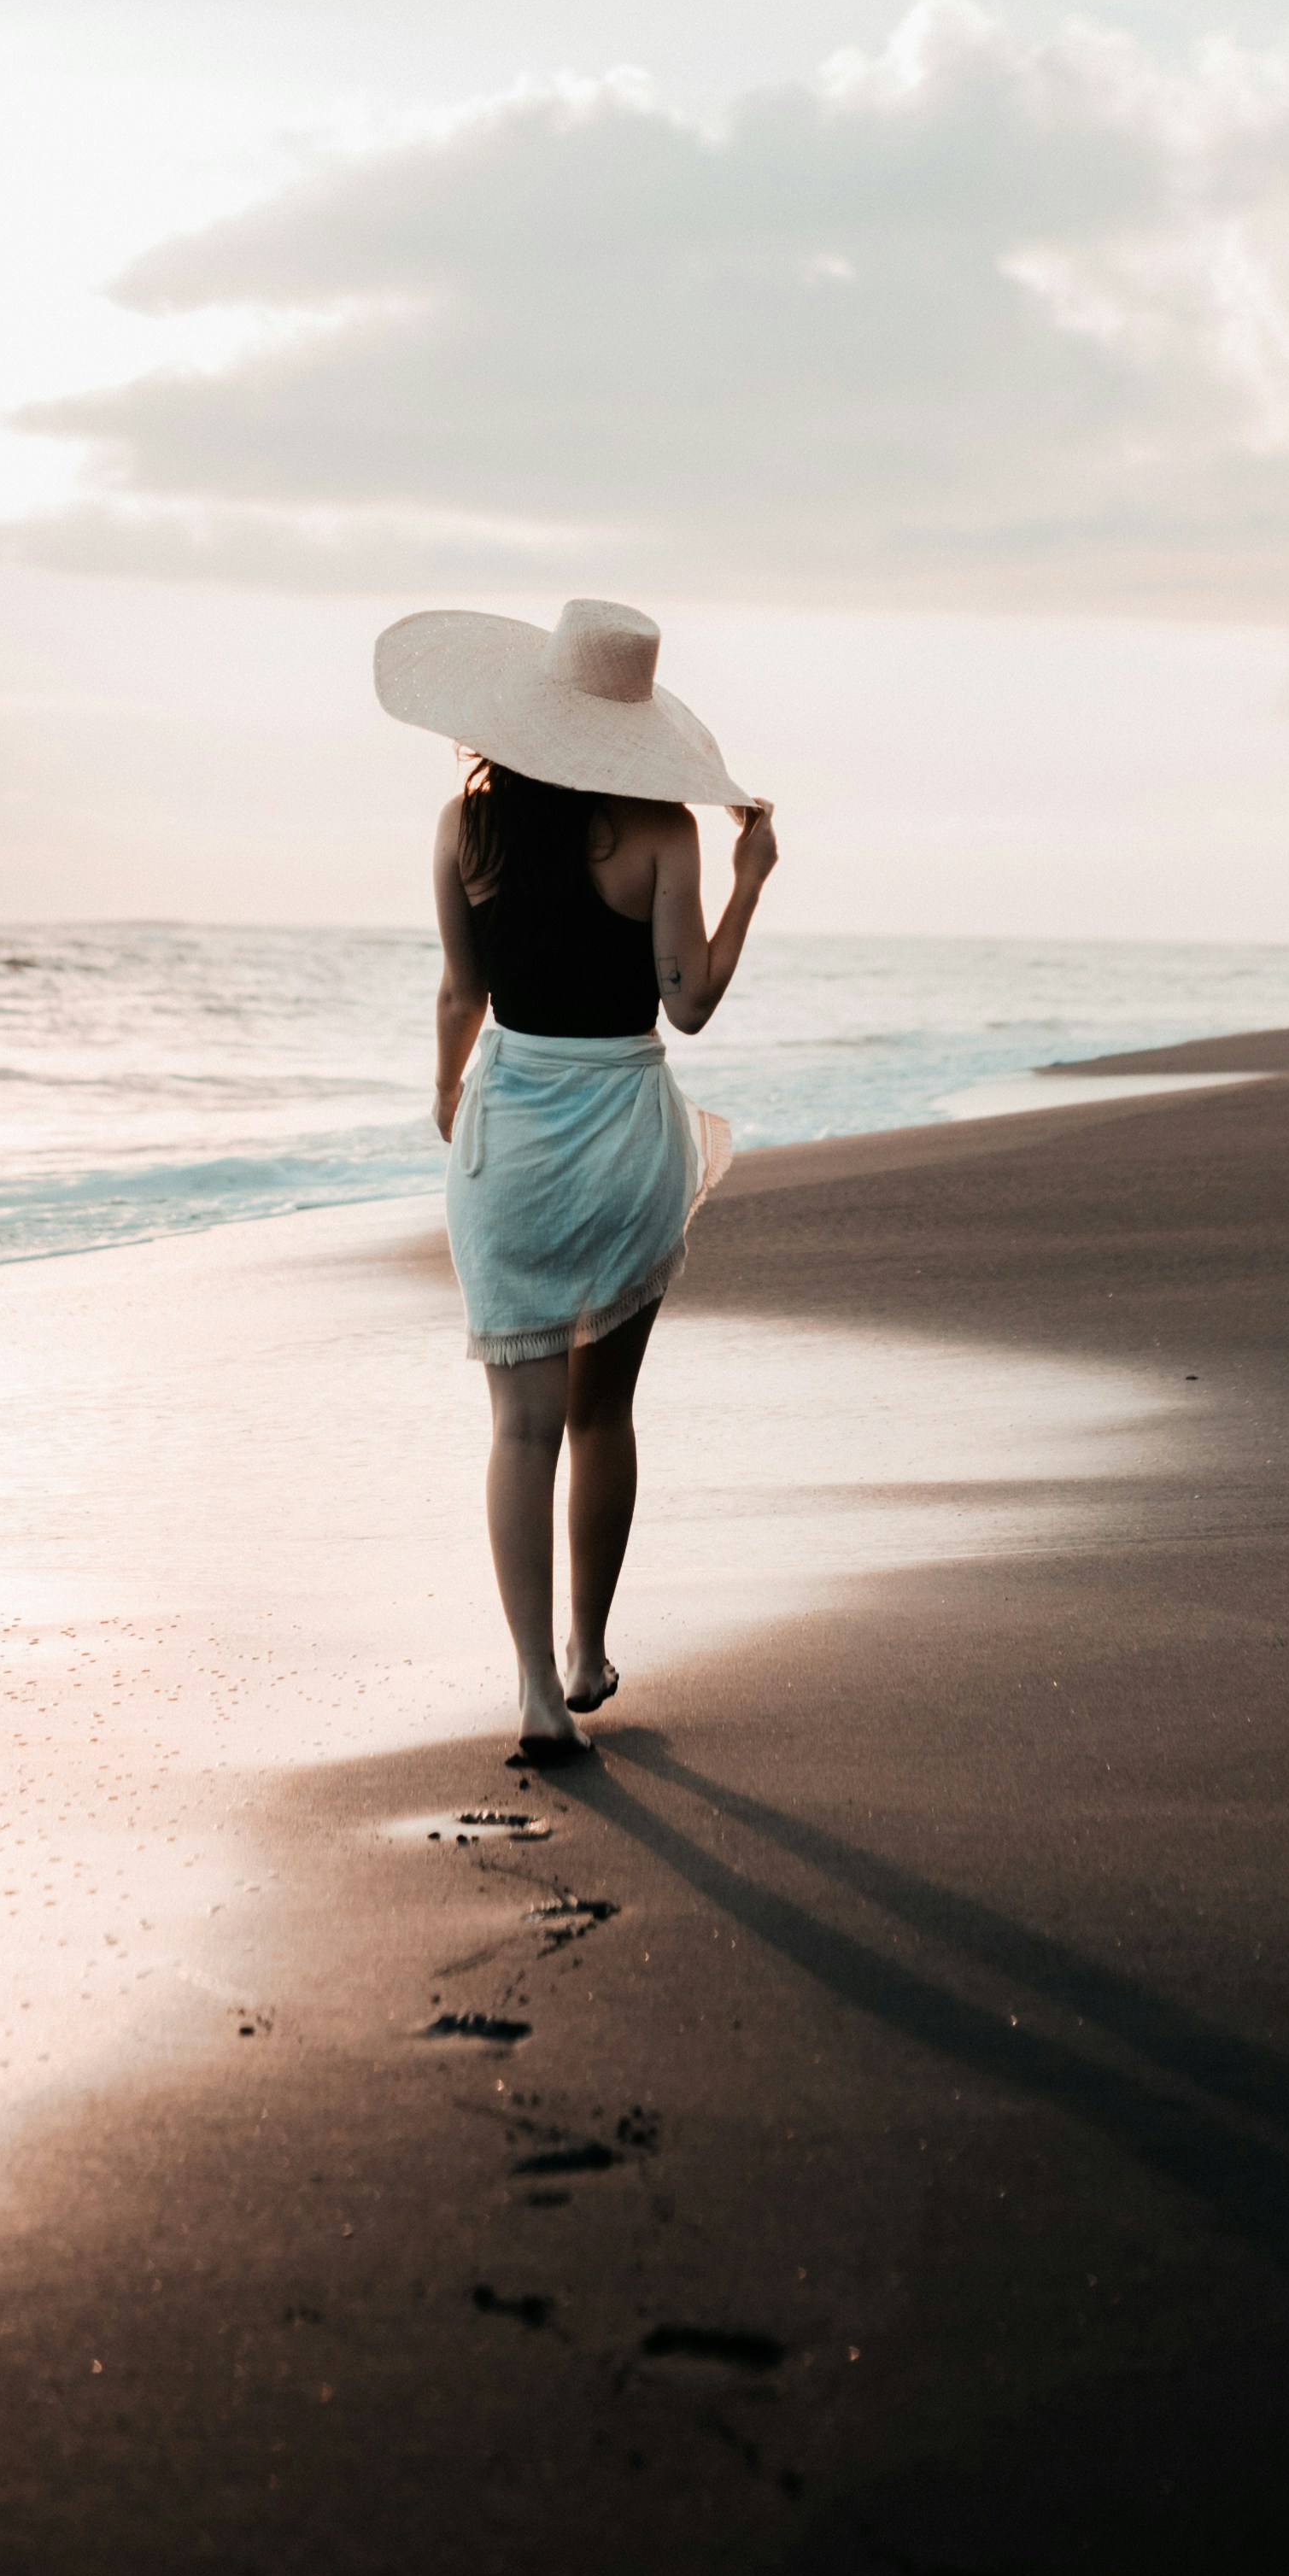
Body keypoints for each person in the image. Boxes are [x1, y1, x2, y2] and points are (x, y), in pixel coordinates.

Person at [373, 597, 779, 1761]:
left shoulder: (468, 825)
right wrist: (750, 879)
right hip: (623, 1137)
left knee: (521, 1428)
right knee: (603, 1413)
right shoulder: (662, 830)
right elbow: (688, 1005)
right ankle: (588, 1651)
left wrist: (452, 1096)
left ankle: (534, 1696)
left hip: (511, 1136)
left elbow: (462, 994)